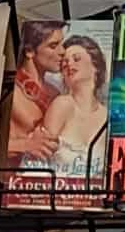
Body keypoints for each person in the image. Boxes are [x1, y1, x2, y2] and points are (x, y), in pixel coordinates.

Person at [35, 34, 108, 197]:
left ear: (95, 66)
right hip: (57, 205)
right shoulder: (62, 105)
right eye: (64, 62)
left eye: (76, 59)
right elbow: (38, 160)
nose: (69, 64)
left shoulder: (107, 116)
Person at [8, 18, 65, 165]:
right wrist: (25, 145)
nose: (62, 52)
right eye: (53, 46)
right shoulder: (9, 91)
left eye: (62, 44)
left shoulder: (55, 92)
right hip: (13, 178)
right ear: (29, 51)